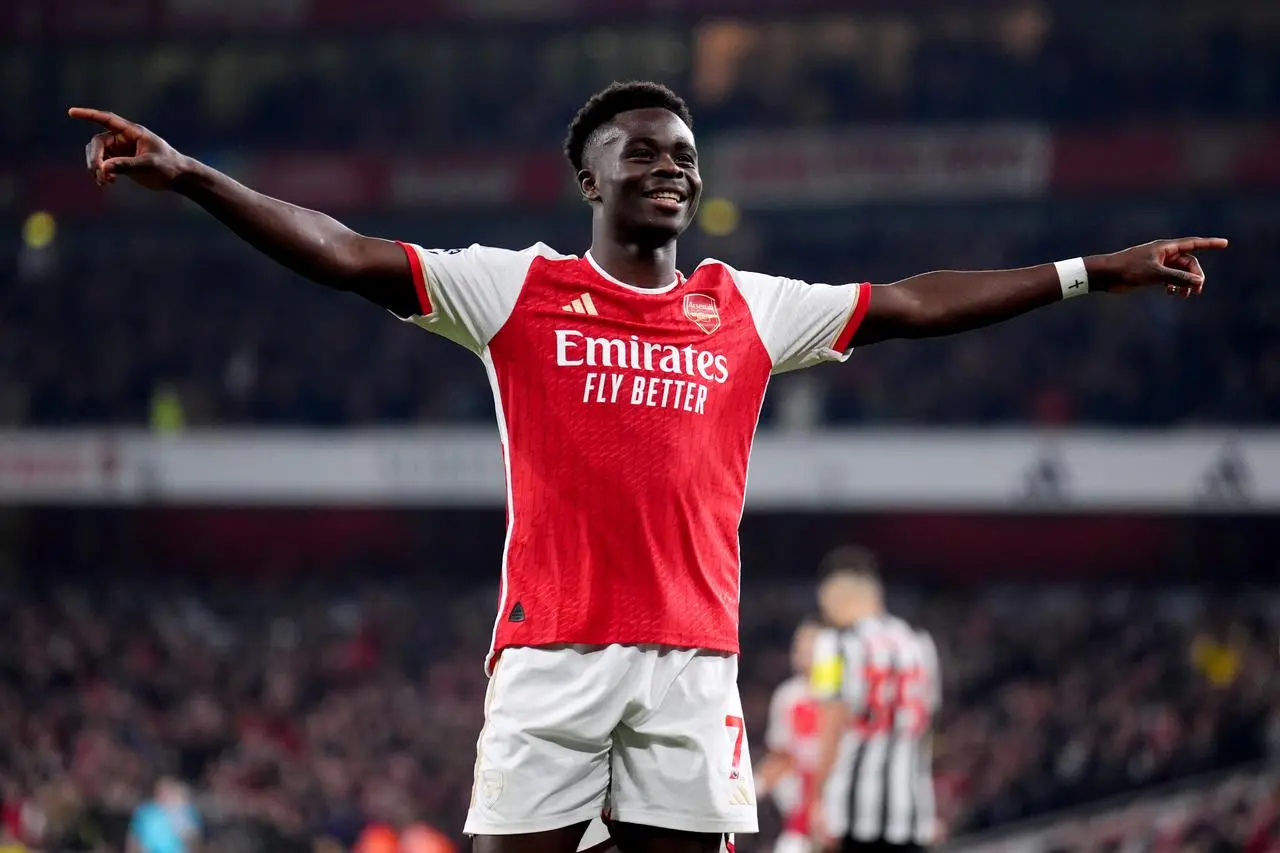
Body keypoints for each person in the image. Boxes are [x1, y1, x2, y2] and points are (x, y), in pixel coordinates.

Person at [69, 80, 1225, 853]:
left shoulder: (745, 308)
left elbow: (916, 302)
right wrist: (200, 178)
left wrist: (1086, 271)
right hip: (549, 658)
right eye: (643, 153)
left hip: (689, 667)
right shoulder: (511, 287)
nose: (671, 167)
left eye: (683, 154)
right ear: (590, 178)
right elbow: (347, 254)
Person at [808, 548, 939, 853]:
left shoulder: (832, 645)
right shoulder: (920, 643)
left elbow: (830, 725)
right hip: (911, 810)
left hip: (852, 811)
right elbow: (926, 728)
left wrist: (816, 799)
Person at [756, 621, 824, 853]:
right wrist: (754, 787)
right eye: (799, 647)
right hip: (797, 815)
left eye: (811, 647)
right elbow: (780, 756)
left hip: (835, 808)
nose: (803, 654)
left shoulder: (844, 695)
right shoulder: (788, 695)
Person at [127, 778, 201, 853]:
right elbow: (134, 838)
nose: (164, 795)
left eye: (168, 791)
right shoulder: (145, 812)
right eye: (160, 791)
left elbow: (194, 841)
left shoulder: (187, 812)